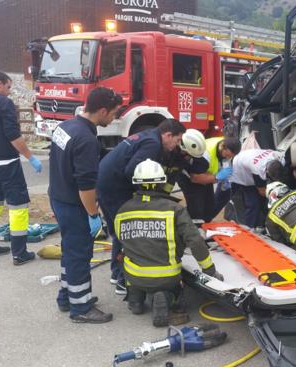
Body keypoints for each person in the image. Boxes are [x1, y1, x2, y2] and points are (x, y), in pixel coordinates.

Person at [115, 159, 223, 327]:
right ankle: (166, 297)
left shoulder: (122, 210)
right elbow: (195, 241)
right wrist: (209, 270)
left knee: (129, 255)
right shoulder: (174, 209)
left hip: (134, 275)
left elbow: (123, 243)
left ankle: (135, 299)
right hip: (166, 277)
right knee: (175, 289)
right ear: (162, 183)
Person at [48, 87, 122, 323]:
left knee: (70, 250)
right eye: (114, 113)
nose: (115, 118)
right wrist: (93, 215)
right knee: (80, 253)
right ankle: (81, 308)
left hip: (58, 197)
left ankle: (67, 297)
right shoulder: (86, 139)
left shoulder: (66, 126)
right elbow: (86, 187)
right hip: (74, 204)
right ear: (102, 110)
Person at [97, 119, 191, 296]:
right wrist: (143, 199)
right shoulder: (153, 145)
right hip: (115, 187)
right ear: (168, 135)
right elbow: (132, 171)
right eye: (177, 140)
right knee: (127, 229)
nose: (177, 145)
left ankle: (116, 272)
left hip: (105, 182)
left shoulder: (147, 135)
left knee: (118, 230)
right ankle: (123, 281)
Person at [0, 70, 42, 264]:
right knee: (18, 206)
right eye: (8, 87)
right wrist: (30, 157)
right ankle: (19, 253)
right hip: (7, 163)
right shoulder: (3, 103)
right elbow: (13, 134)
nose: (10, 91)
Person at [172, 136, 240, 222]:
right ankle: (189, 227)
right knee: (196, 210)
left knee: (208, 209)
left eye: (230, 157)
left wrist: (223, 178)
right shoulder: (206, 154)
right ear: (223, 147)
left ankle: (204, 225)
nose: (228, 158)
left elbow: (221, 164)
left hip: (206, 174)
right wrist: (217, 177)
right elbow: (195, 178)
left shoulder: (225, 145)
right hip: (189, 178)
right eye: (227, 155)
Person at [229, 148, 284, 229]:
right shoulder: (258, 169)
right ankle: (249, 228)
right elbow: (262, 191)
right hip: (241, 168)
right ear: (267, 172)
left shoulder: (279, 157)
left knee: (264, 201)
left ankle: (265, 224)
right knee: (252, 203)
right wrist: (276, 198)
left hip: (250, 155)